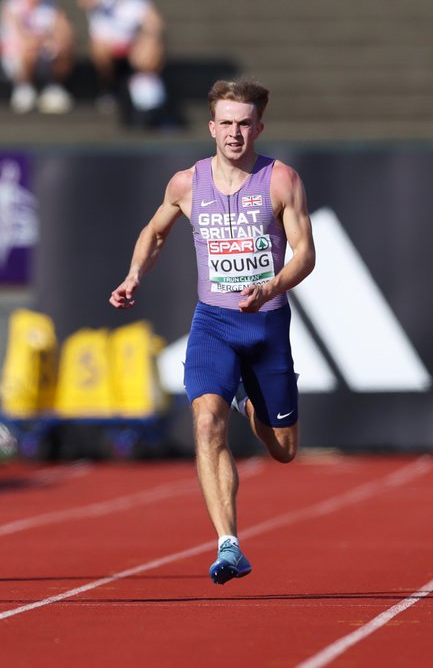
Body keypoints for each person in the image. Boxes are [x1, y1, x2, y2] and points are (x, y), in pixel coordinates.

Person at [109, 79, 316, 584]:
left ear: (259, 127)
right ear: (211, 127)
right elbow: (154, 231)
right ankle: (228, 543)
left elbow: (306, 254)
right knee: (205, 422)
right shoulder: (186, 184)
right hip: (214, 323)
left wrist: (271, 286)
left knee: (284, 449)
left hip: (266, 325)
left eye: (245, 123)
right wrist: (135, 273)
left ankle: (252, 402)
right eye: (226, 123)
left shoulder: (281, 180)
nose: (235, 133)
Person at [76, 0, 167, 123]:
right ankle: (108, 86)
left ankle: (145, 88)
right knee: (99, 47)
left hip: (130, 46)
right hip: (105, 44)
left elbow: (155, 23)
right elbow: (83, 0)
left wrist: (149, 35)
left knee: (152, 44)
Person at [0, 0, 75, 114]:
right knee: (30, 49)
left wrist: (59, 42)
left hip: (44, 54)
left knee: (64, 48)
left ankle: (52, 87)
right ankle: (24, 87)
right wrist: (45, 40)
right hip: (16, 57)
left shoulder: (51, 4)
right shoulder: (10, 5)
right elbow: (23, 38)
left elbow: (65, 31)